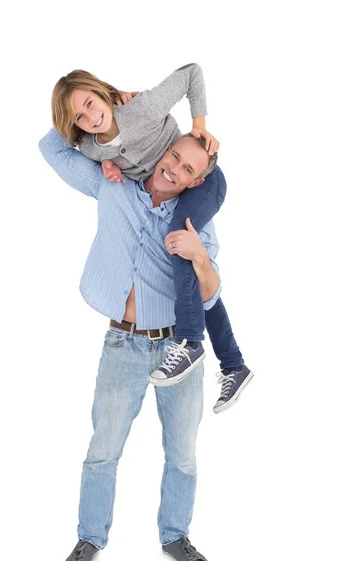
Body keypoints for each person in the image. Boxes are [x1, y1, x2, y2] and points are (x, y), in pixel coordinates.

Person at [39, 128, 222, 561]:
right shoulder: (113, 186)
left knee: (182, 453)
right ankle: (89, 538)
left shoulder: (195, 219)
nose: (173, 168)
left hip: (178, 347)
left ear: (195, 182)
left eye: (187, 169)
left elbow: (212, 297)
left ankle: (175, 536)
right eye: (174, 155)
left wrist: (199, 256)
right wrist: (102, 121)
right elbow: (51, 147)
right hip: (122, 343)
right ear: (162, 149)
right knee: (103, 449)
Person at [51, 63, 253, 413]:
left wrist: (198, 127)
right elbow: (53, 143)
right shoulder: (92, 147)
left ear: (101, 91)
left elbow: (192, 72)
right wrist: (103, 159)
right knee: (183, 251)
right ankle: (233, 364)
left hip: (207, 179)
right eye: (78, 117)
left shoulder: (141, 110)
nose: (88, 116)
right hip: (124, 332)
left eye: (90, 103)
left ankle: (192, 342)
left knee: (182, 242)